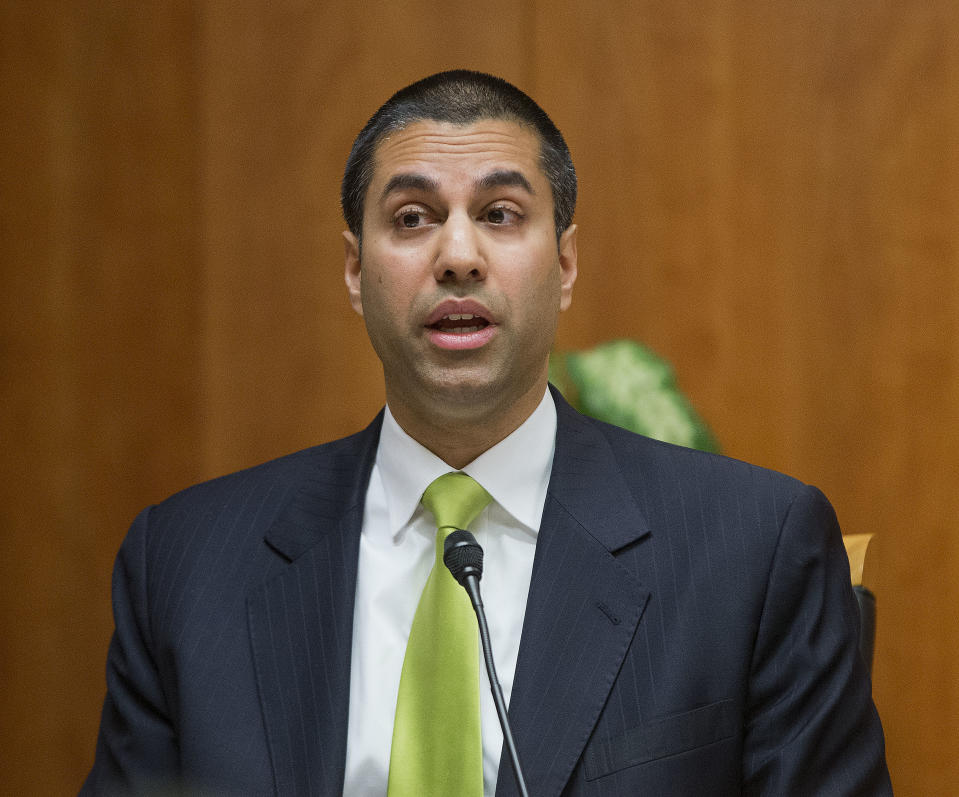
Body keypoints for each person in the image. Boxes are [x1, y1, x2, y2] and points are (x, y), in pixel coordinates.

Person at [82, 70, 891, 796]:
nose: (458, 255)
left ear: (564, 264)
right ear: (355, 272)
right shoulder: (186, 566)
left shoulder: (751, 552)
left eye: (500, 214)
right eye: (411, 217)